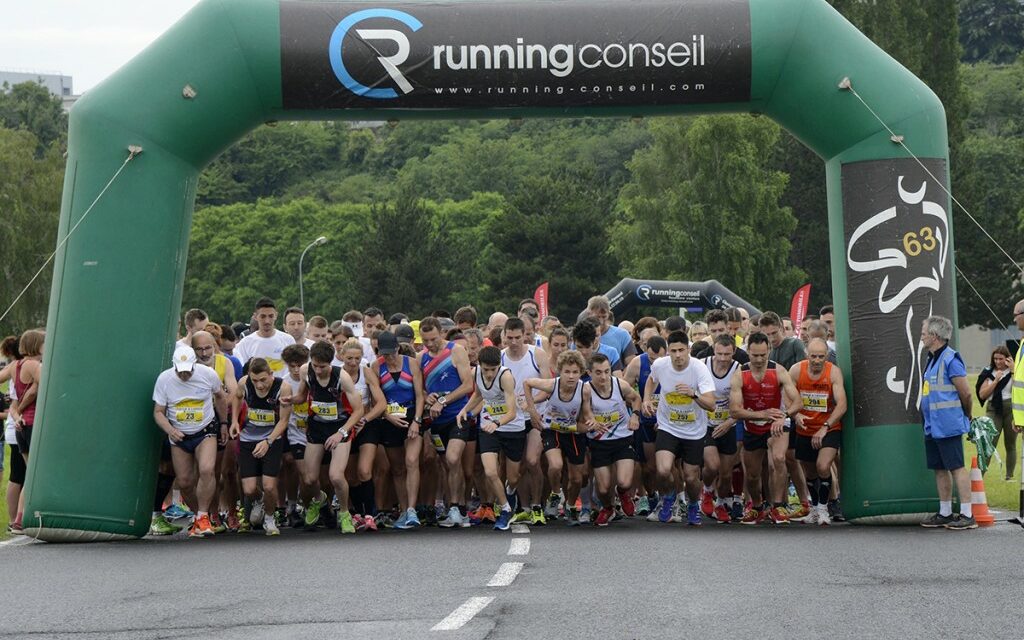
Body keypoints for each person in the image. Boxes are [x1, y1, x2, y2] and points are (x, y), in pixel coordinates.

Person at [285, 341, 365, 534]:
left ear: (331, 363)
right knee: (310, 479)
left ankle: (344, 514)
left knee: (336, 476)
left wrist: (342, 433)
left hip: (340, 427)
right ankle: (319, 501)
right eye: (315, 365)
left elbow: (359, 410)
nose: (318, 370)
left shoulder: (342, 377)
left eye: (323, 367)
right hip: (317, 427)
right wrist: (291, 400)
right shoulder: (306, 370)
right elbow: (303, 396)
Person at [152, 344, 231, 537]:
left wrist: (223, 423)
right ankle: (198, 518)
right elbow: (158, 412)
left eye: (188, 371)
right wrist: (170, 430)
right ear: (174, 366)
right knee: (185, 482)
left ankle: (203, 515)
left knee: (206, 470)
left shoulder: (207, 374)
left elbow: (220, 397)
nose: (185, 375)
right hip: (179, 435)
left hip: (205, 430)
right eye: (181, 372)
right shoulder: (164, 379)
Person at [642, 330, 716, 526]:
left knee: (692, 478)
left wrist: (693, 394)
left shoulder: (699, 369)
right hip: (668, 426)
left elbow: (711, 404)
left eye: (681, 350)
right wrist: (646, 399)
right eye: (673, 351)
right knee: (663, 470)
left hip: (694, 430)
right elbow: (651, 380)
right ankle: (669, 497)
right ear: (668, 351)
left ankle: (693, 504)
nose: (677, 355)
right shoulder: (660, 365)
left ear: (688, 349)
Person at [729, 332, 802, 525]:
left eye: (763, 355)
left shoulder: (779, 371)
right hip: (753, 425)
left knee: (778, 459)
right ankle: (758, 506)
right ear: (748, 352)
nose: (760, 359)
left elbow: (798, 402)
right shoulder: (740, 375)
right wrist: (761, 415)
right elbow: (735, 411)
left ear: (769, 351)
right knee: (752, 475)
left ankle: (777, 506)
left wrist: (783, 416)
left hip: (777, 424)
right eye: (755, 355)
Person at [918, 316, 975, 530]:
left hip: (948, 424)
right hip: (932, 424)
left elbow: (966, 393)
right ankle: (945, 513)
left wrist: (966, 414)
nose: (921, 336)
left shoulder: (951, 359)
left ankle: (968, 514)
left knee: (956, 467)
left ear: (934, 336)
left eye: (924, 333)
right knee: (939, 468)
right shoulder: (931, 358)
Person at [419, 316, 475, 527]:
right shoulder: (421, 357)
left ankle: (456, 508)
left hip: (457, 416)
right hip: (436, 421)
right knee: (446, 463)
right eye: (426, 341)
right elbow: (421, 389)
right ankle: (458, 507)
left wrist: (442, 400)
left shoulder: (455, 351)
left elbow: (467, 385)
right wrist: (427, 397)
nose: (430, 344)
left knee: (453, 459)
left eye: (433, 339)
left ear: (441, 333)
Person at [458, 345, 521, 531]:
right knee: (490, 472)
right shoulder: (476, 372)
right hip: (488, 427)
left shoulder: (506, 377)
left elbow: (512, 412)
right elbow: (478, 395)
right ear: (479, 365)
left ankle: (510, 493)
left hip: (511, 428)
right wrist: (465, 410)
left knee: (514, 478)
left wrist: (498, 423)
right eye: (486, 369)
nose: (489, 373)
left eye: (493, 369)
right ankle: (505, 509)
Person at [525, 351, 590, 526]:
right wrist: (532, 411)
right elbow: (527, 383)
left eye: (575, 372)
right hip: (551, 430)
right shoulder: (552, 385)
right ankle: (556, 493)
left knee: (577, 478)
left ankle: (570, 506)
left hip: (573, 433)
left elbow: (585, 419)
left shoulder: (584, 390)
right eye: (567, 372)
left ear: (581, 372)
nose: (571, 376)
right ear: (560, 371)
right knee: (555, 465)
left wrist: (591, 423)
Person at [229, 358, 292, 535]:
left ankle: (270, 520)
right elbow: (237, 397)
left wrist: (268, 441)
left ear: (271, 375)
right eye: (255, 380)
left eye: (263, 380)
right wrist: (234, 420)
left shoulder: (283, 387)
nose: (260, 385)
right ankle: (261, 501)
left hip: (272, 438)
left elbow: (284, 421)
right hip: (248, 438)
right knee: (249, 489)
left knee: (270, 486)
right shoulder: (244, 383)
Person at [789, 339, 847, 525]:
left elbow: (842, 405)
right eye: (813, 356)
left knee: (823, 466)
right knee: (810, 473)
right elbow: (786, 395)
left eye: (821, 356)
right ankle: (814, 508)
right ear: (807, 354)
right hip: (804, 428)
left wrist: (825, 427)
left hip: (828, 427)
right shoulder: (797, 370)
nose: (816, 360)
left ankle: (824, 508)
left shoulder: (833, 372)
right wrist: (795, 415)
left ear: (827, 356)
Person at [373, 331, 426, 529]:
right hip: (389, 419)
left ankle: (412, 509)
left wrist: (417, 421)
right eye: (384, 354)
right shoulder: (377, 367)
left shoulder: (411, 364)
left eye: (391, 353)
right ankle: (403, 510)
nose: (388, 357)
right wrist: (387, 416)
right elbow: (375, 399)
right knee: (397, 468)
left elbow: (420, 395)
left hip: (412, 415)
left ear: (397, 348)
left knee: (411, 461)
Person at [501, 317, 551, 524]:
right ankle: (523, 506)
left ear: (525, 336)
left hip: (535, 415)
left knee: (532, 460)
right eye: (509, 337)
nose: (513, 342)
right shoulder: (500, 358)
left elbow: (548, 387)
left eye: (517, 338)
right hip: (513, 419)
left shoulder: (536, 354)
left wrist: (529, 403)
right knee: (518, 463)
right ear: (504, 336)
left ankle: (538, 505)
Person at [585, 353, 642, 527]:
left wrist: (635, 416)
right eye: (598, 372)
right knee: (602, 488)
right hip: (599, 441)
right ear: (589, 373)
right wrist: (591, 420)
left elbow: (636, 399)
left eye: (607, 371)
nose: (603, 376)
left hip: (622, 438)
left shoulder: (620, 385)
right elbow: (584, 413)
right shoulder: (585, 390)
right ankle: (608, 508)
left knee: (624, 482)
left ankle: (622, 493)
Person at [701, 334, 743, 523]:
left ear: (733, 352)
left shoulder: (738, 370)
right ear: (714, 351)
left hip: (728, 423)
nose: (723, 358)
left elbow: (741, 404)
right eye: (719, 353)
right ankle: (707, 491)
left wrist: (729, 423)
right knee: (712, 465)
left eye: (727, 354)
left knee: (726, 474)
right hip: (705, 425)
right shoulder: (701, 365)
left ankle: (720, 504)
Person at [977, 345, 1016, 480]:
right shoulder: (988, 372)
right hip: (994, 409)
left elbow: (1019, 389)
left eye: (1001, 359)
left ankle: (1009, 477)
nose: (998, 362)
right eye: (995, 359)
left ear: (1007, 358)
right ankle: (979, 477)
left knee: (1010, 444)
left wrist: (1013, 371)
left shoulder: (1014, 371)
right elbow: (982, 395)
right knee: (988, 443)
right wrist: (995, 381)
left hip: (1010, 409)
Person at [234, 297, 296, 378]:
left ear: (276, 315)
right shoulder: (245, 344)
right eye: (263, 316)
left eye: (270, 316)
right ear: (255, 317)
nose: (267, 321)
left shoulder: (288, 340)